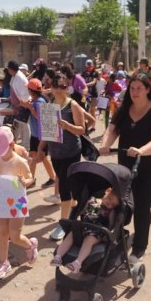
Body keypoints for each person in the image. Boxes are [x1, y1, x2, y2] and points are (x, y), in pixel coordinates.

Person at [99, 75, 151, 260]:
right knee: (122, 203)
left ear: (147, 89)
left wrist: (141, 151)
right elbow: (111, 130)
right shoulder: (123, 109)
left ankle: (139, 248)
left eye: (139, 88)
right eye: (132, 88)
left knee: (142, 206)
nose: (135, 92)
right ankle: (114, 237)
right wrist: (106, 144)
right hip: (126, 168)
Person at [0, 126, 37, 280]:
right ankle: (4, 263)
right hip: (1, 201)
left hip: (17, 202)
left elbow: (30, 177)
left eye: (3, 149)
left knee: (14, 235)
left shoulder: (20, 161)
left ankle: (30, 245)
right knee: (2, 232)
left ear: (12, 145)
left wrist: (24, 181)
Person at [37, 73, 85, 240]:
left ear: (68, 87)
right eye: (56, 85)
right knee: (64, 182)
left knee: (64, 186)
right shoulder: (49, 106)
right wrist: (40, 148)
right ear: (52, 86)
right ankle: (76, 205)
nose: (59, 89)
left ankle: (64, 223)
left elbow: (82, 129)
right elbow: (46, 131)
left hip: (71, 152)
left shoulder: (73, 105)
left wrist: (67, 126)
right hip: (55, 153)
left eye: (63, 86)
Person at [50, 187, 120, 272]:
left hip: (97, 231)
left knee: (88, 240)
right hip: (84, 227)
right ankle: (58, 257)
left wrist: (109, 233)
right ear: (107, 191)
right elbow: (82, 212)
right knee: (71, 235)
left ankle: (77, 263)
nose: (109, 204)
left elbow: (111, 226)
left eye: (113, 205)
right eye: (109, 198)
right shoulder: (92, 201)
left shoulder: (110, 212)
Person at [22, 78, 56, 188]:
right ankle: (34, 179)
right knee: (35, 157)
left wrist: (30, 107)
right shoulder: (37, 100)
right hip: (35, 135)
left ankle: (48, 178)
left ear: (31, 91)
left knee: (39, 158)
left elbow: (41, 118)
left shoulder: (40, 101)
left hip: (41, 136)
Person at [7, 61, 31, 150]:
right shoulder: (15, 76)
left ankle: (26, 146)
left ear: (10, 69)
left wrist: (22, 104)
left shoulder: (20, 78)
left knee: (23, 125)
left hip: (22, 104)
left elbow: (24, 94)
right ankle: (21, 144)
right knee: (19, 125)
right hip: (18, 104)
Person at [81, 59, 99, 132]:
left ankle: (93, 126)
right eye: (87, 66)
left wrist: (85, 85)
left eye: (90, 66)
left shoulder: (95, 73)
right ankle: (85, 125)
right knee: (85, 110)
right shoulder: (84, 73)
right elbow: (81, 80)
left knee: (92, 110)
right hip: (85, 94)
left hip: (93, 94)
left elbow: (94, 82)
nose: (88, 68)